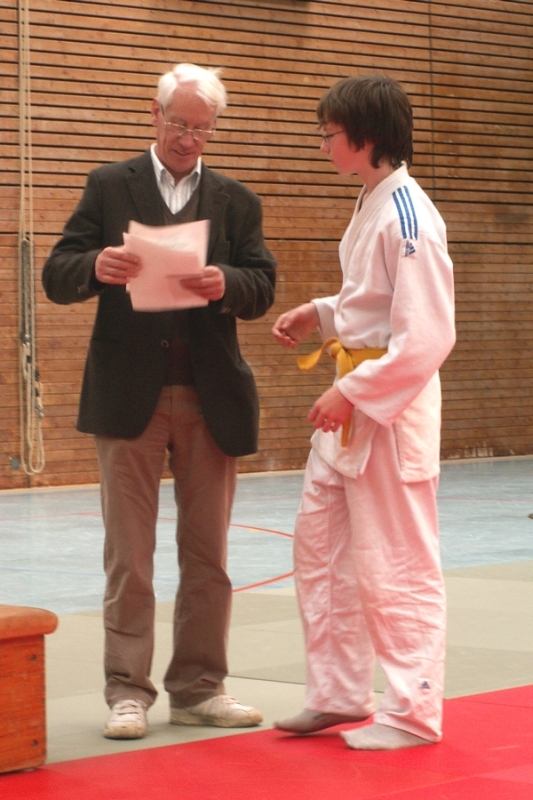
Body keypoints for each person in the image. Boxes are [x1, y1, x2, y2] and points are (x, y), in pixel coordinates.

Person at [42, 63, 276, 739]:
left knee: (208, 557)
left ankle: (199, 689)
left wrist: (225, 281)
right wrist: (95, 267)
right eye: (179, 124)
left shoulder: (235, 200)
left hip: (210, 397)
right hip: (128, 398)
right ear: (155, 113)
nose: (188, 139)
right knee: (129, 557)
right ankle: (127, 692)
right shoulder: (109, 185)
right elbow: (58, 272)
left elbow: (261, 285)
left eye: (202, 129)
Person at [271, 74, 455, 750]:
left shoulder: (410, 216)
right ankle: (337, 691)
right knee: (321, 549)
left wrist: (350, 391)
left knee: (396, 562)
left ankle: (413, 709)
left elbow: (427, 335)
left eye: (330, 134)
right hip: (354, 408)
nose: (323, 145)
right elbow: (373, 303)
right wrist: (321, 313)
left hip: (388, 413)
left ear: (367, 136)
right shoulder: (372, 198)